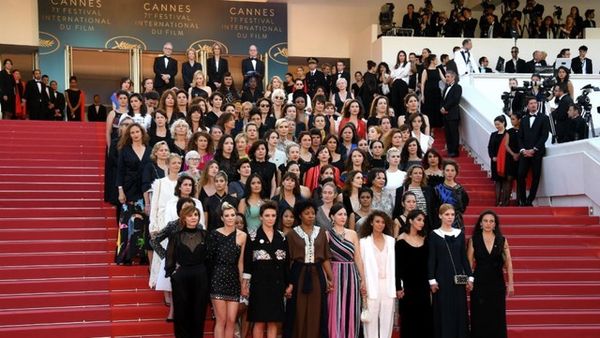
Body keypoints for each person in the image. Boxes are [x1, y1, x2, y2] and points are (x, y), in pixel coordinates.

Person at [283, 200, 333, 338]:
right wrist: (288, 283)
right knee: (298, 310)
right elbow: (289, 261)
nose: (311, 216)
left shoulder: (321, 232)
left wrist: (330, 279)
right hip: (298, 274)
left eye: (313, 213)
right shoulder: (292, 234)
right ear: (300, 215)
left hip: (317, 274)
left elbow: (325, 258)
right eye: (307, 213)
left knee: (317, 309)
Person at [243, 201, 290, 338]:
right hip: (259, 284)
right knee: (259, 322)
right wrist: (245, 284)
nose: (270, 218)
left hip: (277, 285)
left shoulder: (281, 237)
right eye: (267, 215)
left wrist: (289, 284)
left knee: (273, 322)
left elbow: (286, 263)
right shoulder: (252, 236)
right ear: (261, 217)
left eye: (273, 215)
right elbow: (247, 262)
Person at [164, 204, 210, 338]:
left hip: (201, 276)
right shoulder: (176, 236)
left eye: (196, 215)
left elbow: (209, 257)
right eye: (190, 215)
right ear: (183, 218)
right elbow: (169, 257)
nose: (193, 218)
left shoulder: (205, 235)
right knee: (181, 313)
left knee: (199, 312)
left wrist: (207, 274)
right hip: (181, 277)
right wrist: (172, 273)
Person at [428, 204, 473, 338]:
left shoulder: (460, 234)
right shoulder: (434, 234)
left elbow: (464, 258)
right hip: (441, 278)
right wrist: (432, 280)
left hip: (458, 278)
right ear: (440, 216)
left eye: (452, 215)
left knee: (459, 310)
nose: (450, 217)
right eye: (447, 214)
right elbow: (432, 259)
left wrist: (470, 277)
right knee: (444, 311)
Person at [468, 210, 514, 338]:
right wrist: (468, 281)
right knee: (479, 316)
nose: (488, 223)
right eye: (485, 221)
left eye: (491, 221)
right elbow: (468, 264)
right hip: (479, 284)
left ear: (495, 224)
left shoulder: (502, 241)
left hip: (497, 284)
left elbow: (509, 263)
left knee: (497, 316)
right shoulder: (473, 240)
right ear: (481, 224)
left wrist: (511, 284)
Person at [208, 202, 247, 338]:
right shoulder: (214, 234)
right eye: (227, 215)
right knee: (221, 320)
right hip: (217, 278)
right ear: (222, 218)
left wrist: (243, 283)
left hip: (234, 279)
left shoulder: (242, 236)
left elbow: (241, 262)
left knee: (231, 320)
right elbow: (209, 260)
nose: (230, 218)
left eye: (233, 215)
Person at [327, 203, 365, 338]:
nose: (343, 217)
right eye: (339, 214)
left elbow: (358, 258)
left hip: (351, 274)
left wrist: (363, 279)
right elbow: (324, 260)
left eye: (345, 214)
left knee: (351, 307)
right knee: (335, 308)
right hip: (335, 274)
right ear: (332, 216)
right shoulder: (327, 235)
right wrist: (328, 279)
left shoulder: (353, 233)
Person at [396, 209, 434, 338]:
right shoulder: (401, 239)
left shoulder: (425, 239)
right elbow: (397, 267)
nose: (422, 223)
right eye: (419, 219)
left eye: (423, 220)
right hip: (408, 286)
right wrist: (398, 287)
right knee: (409, 320)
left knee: (425, 318)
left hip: (423, 285)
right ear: (410, 221)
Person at [359, 210, 396, 338]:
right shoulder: (363, 242)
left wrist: (398, 285)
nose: (380, 224)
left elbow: (395, 265)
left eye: (383, 222)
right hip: (371, 284)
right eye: (377, 222)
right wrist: (362, 282)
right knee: (370, 321)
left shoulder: (391, 241)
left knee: (387, 319)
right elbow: (361, 265)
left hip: (388, 284)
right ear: (371, 223)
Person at [518, 97, 550, 206]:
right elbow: (520, 137)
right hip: (524, 153)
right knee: (520, 175)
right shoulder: (524, 119)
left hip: (537, 153)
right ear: (527, 106)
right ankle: (522, 199)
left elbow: (544, 136)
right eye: (531, 103)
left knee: (536, 176)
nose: (533, 105)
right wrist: (523, 150)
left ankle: (530, 199)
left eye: (535, 103)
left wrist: (534, 149)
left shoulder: (544, 118)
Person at [116, 123, 151, 208]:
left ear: (142, 133)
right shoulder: (124, 150)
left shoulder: (150, 150)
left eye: (137, 131)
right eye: (132, 133)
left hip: (147, 188)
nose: (135, 134)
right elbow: (120, 171)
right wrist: (120, 191)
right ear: (129, 135)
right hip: (129, 188)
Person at [434, 160, 469, 228]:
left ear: (456, 172)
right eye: (447, 170)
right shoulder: (437, 189)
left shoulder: (461, 189)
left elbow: (464, 205)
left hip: (457, 222)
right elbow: (435, 208)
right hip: (441, 222)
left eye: (452, 170)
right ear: (443, 172)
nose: (450, 173)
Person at [488, 115, 509, 206]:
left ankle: (504, 202)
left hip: (505, 162)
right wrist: (492, 156)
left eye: (498, 124)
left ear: (503, 123)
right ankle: (497, 201)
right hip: (495, 161)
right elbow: (490, 147)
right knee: (497, 181)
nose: (497, 126)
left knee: (505, 181)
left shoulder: (508, 134)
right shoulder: (493, 134)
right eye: (495, 124)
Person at [440, 70, 462, 157]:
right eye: (446, 77)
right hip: (445, 114)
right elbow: (443, 100)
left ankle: (455, 151)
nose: (446, 78)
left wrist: (445, 108)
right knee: (447, 133)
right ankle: (450, 150)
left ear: (453, 77)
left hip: (453, 114)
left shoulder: (457, 87)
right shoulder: (446, 88)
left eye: (448, 77)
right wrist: (441, 108)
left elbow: (455, 100)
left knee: (453, 133)